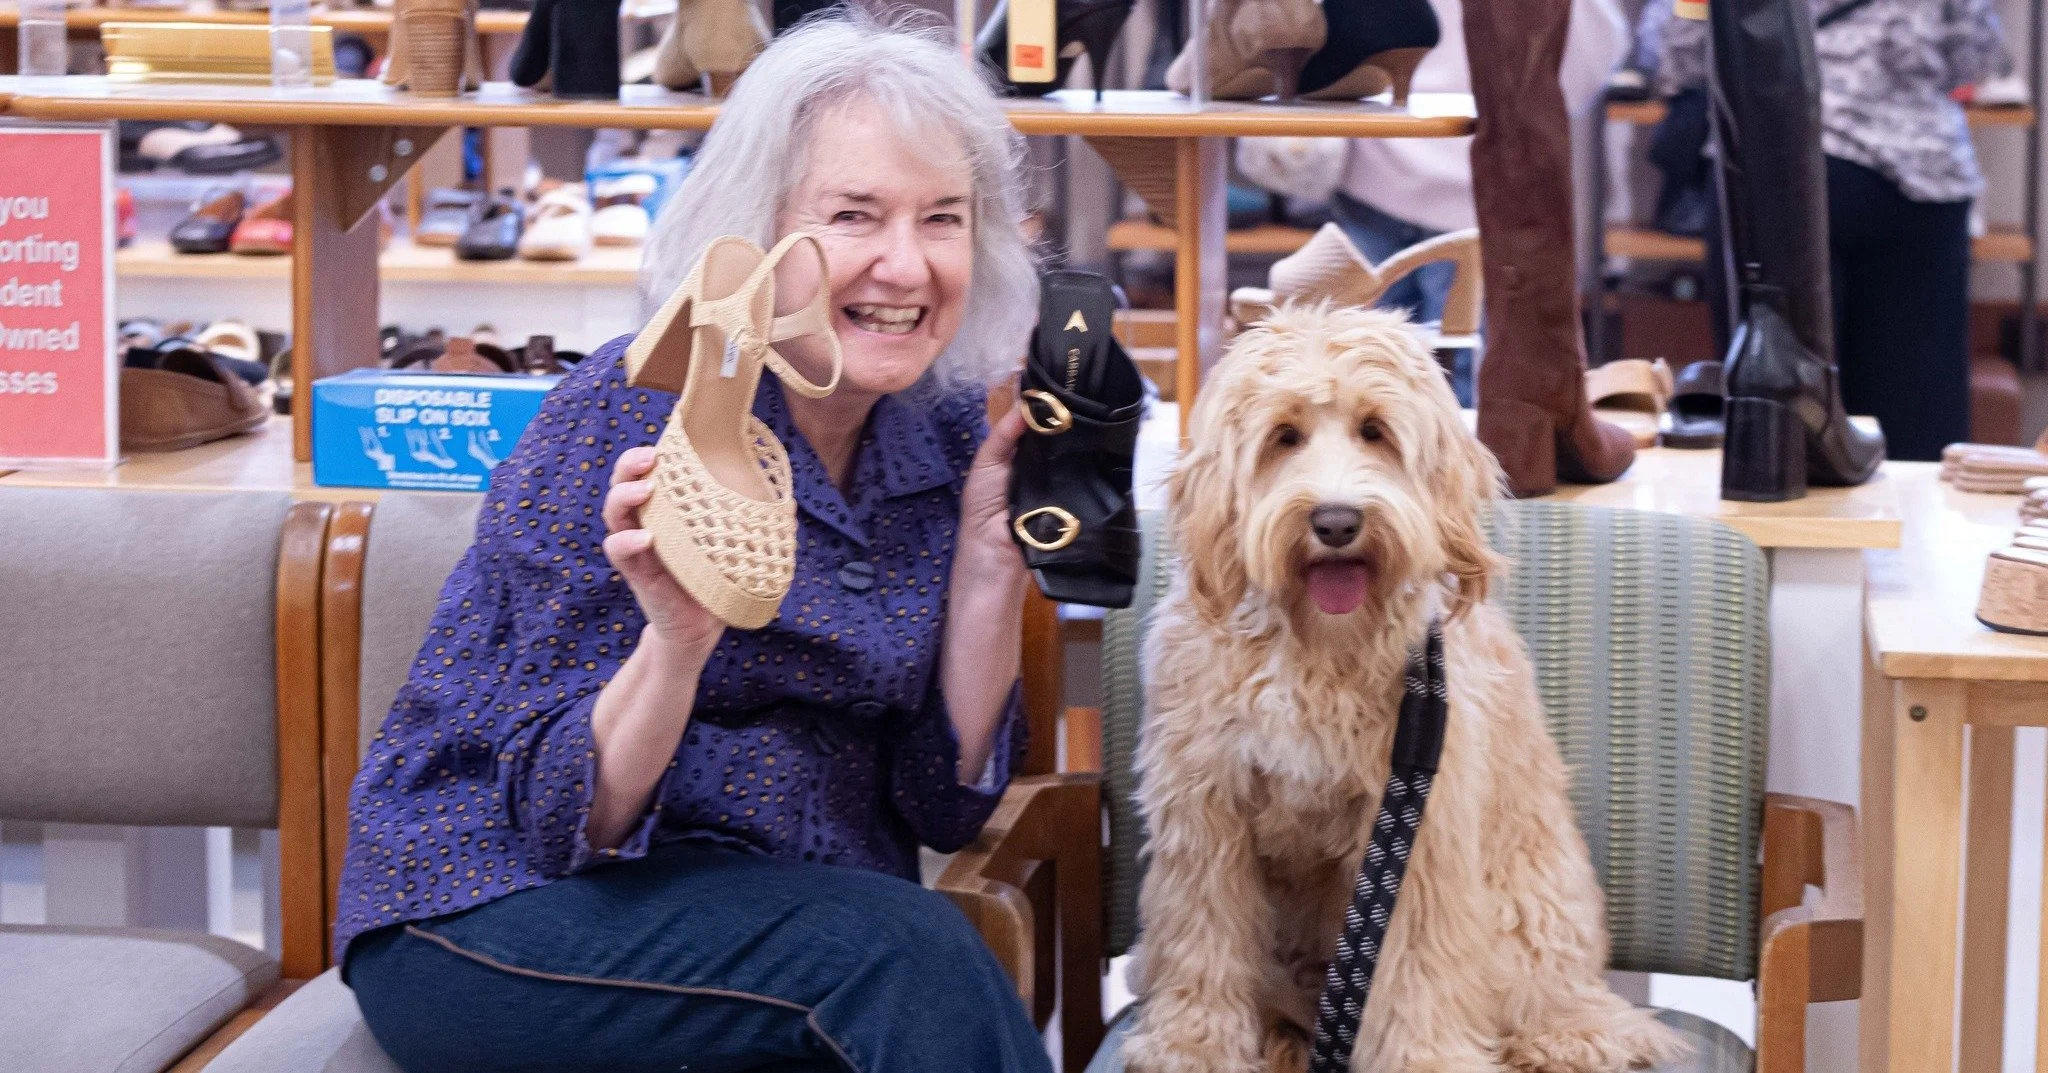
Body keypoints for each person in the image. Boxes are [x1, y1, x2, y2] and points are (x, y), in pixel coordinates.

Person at [333, 17, 1051, 1073]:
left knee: (895, 954)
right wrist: (674, 641)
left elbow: (943, 803)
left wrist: (989, 561)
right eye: (854, 215)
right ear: (754, 230)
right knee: (911, 954)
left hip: (782, 929)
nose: (906, 265)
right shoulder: (635, 411)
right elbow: (560, 821)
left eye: (942, 218)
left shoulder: (946, 433)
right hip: (503, 910)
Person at [1652, 0, 2011, 461]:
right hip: (1916, 174)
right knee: (1914, 426)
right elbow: (1974, 56)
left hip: (1769, 165)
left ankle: (1771, 516)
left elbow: (1681, 56)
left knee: (1778, 418)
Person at [1330, 0, 1627, 404]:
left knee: (1351, 378)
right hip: (1478, 182)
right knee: (1466, 386)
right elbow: (1592, 51)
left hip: (1375, 159)